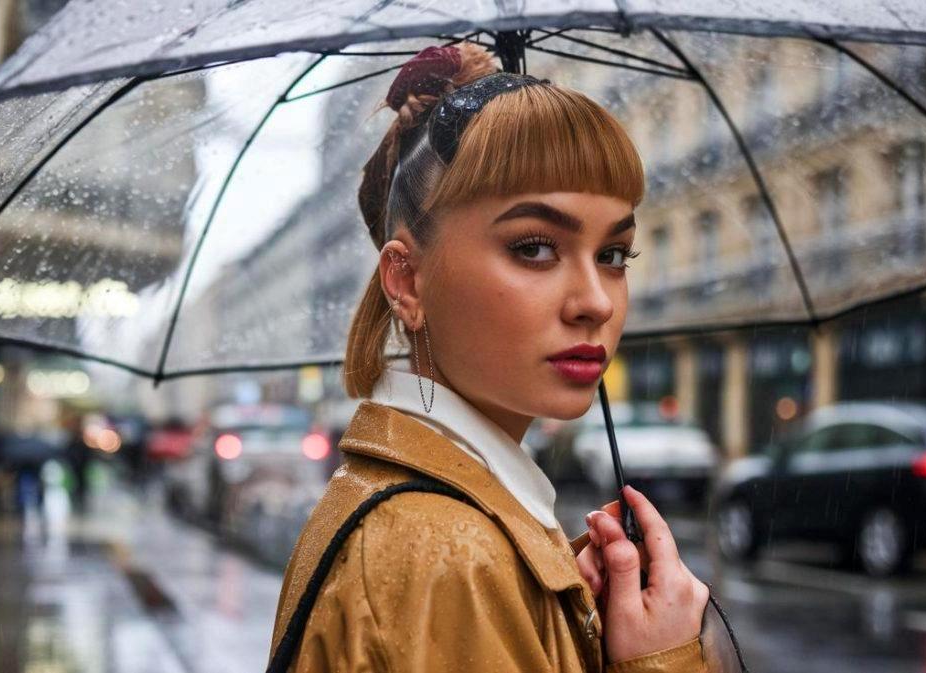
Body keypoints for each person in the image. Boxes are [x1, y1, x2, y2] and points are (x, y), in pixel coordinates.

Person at [269, 41, 727, 672]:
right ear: (406, 281)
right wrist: (661, 662)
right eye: (535, 248)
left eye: (614, 255)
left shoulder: (443, 524)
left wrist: (555, 607)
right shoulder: (445, 554)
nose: (595, 302)